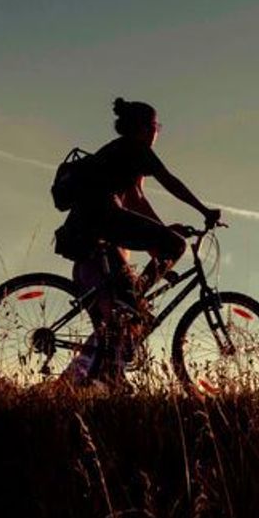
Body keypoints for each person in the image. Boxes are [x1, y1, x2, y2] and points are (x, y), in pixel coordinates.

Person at [59, 98, 221, 385]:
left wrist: (160, 232)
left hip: (87, 225)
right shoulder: (137, 149)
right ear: (145, 128)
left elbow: (136, 201)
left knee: (121, 316)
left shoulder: (119, 153)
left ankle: (107, 371)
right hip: (102, 218)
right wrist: (204, 210)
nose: (157, 132)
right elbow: (170, 181)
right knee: (176, 247)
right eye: (156, 126)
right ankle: (136, 298)